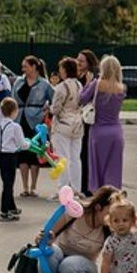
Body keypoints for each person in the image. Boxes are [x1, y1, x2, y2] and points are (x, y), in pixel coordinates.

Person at [29, 185, 120, 273]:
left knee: (69, 265)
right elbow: (48, 234)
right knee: (48, 253)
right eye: (110, 213)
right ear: (98, 207)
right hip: (60, 254)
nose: (113, 218)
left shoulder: (111, 227)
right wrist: (43, 239)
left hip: (85, 265)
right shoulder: (74, 211)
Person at [80, 55, 126, 190]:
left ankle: (98, 197)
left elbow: (81, 99)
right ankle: (112, 197)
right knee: (114, 169)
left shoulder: (97, 84)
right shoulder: (121, 87)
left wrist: (87, 83)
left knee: (97, 168)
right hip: (116, 131)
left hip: (98, 130)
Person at [14, 56, 52, 198]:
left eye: (26, 66)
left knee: (34, 152)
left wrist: (48, 109)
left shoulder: (44, 84)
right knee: (23, 153)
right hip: (21, 118)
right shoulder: (19, 82)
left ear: (34, 67)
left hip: (36, 120)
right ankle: (24, 186)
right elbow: (13, 99)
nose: (23, 69)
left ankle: (34, 186)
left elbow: (53, 98)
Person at [47, 56, 85, 186]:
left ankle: (63, 188)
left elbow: (56, 109)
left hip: (63, 125)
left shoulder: (61, 87)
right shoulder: (79, 85)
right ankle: (76, 188)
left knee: (62, 158)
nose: (60, 71)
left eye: (61, 68)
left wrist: (49, 108)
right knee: (75, 158)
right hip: (77, 124)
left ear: (65, 70)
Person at [0, 97, 26, 220]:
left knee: (6, 182)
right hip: (10, 157)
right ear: (14, 111)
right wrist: (28, 145)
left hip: (0, 156)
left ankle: (12, 207)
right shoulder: (15, 127)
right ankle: (4, 210)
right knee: (8, 184)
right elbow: (22, 143)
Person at [76, 49, 100, 194]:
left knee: (85, 153)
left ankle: (87, 186)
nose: (78, 63)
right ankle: (82, 184)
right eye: (77, 60)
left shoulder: (91, 76)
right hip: (79, 118)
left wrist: (88, 83)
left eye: (81, 61)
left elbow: (84, 97)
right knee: (80, 153)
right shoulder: (79, 75)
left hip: (87, 119)